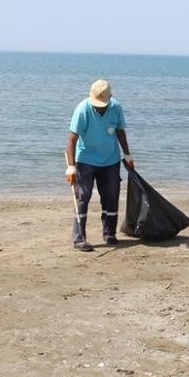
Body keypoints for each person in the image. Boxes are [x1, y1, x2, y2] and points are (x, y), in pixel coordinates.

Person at [65, 79, 135, 252]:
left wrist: (127, 154)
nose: (101, 106)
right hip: (85, 160)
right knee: (82, 197)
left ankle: (109, 233)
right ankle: (79, 238)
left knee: (111, 196)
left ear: (110, 97)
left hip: (110, 160)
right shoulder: (83, 109)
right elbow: (71, 139)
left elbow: (120, 130)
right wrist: (71, 167)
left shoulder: (116, 108)